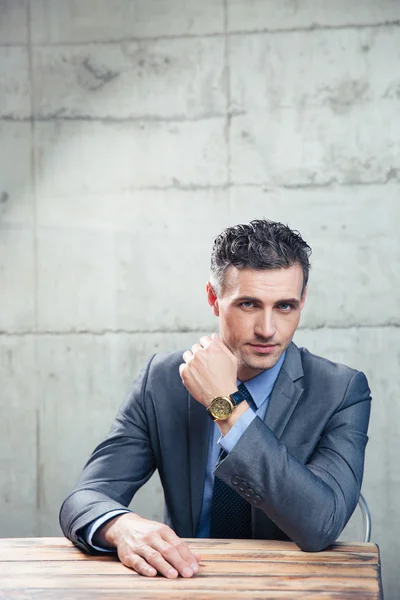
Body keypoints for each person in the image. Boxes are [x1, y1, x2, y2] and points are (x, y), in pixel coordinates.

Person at [60, 219, 371, 580]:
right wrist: (122, 526)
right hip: (187, 581)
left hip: (291, 586)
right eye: (249, 304)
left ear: (302, 301)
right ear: (213, 299)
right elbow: (84, 498)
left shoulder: (341, 390)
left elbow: (321, 523)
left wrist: (224, 405)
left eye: (285, 306)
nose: (268, 329)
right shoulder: (162, 380)